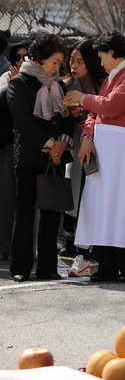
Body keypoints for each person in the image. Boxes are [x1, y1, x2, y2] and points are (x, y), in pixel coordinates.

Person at [64, 30, 125, 282]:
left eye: (101, 56)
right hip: (104, 146)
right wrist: (87, 137)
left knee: (121, 206)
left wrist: (83, 98)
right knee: (99, 207)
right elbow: (94, 114)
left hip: (123, 147)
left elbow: (110, 106)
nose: (100, 62)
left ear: (112, 52)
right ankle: (107, 265)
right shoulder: (115, 75)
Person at [6, 35, 73, 281]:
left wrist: (62, 142)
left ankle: (47, 267)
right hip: (29, 156)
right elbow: (22, 120)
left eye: (59, 62)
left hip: (56, 156)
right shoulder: (20, 82)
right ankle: (21, 268)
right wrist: (50, 145)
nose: (58, 67)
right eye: (55, 62)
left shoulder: (59, 83)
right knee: (24, 212)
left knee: (52, 213)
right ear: (40, 59)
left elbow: (66, 115)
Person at [62, 39, 108, 277]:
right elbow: (78, 119)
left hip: (105, 147)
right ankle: (81, 254)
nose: (74, 65)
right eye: (71, 60)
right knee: (80, 201)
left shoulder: (106, 83)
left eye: (80, 61)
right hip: (78, 149)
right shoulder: (67, 84)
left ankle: (98, 252)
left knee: (101, 203)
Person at [0, 41, 30, 260]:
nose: (21, 62)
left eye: (26, 57)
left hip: (32, 146)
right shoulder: (5, 80)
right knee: (6, 197)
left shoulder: (37, 81)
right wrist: (9, 89)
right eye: (17, 58)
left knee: (26, 201)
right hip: (9, 144)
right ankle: (4, 246)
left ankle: (24, 249)